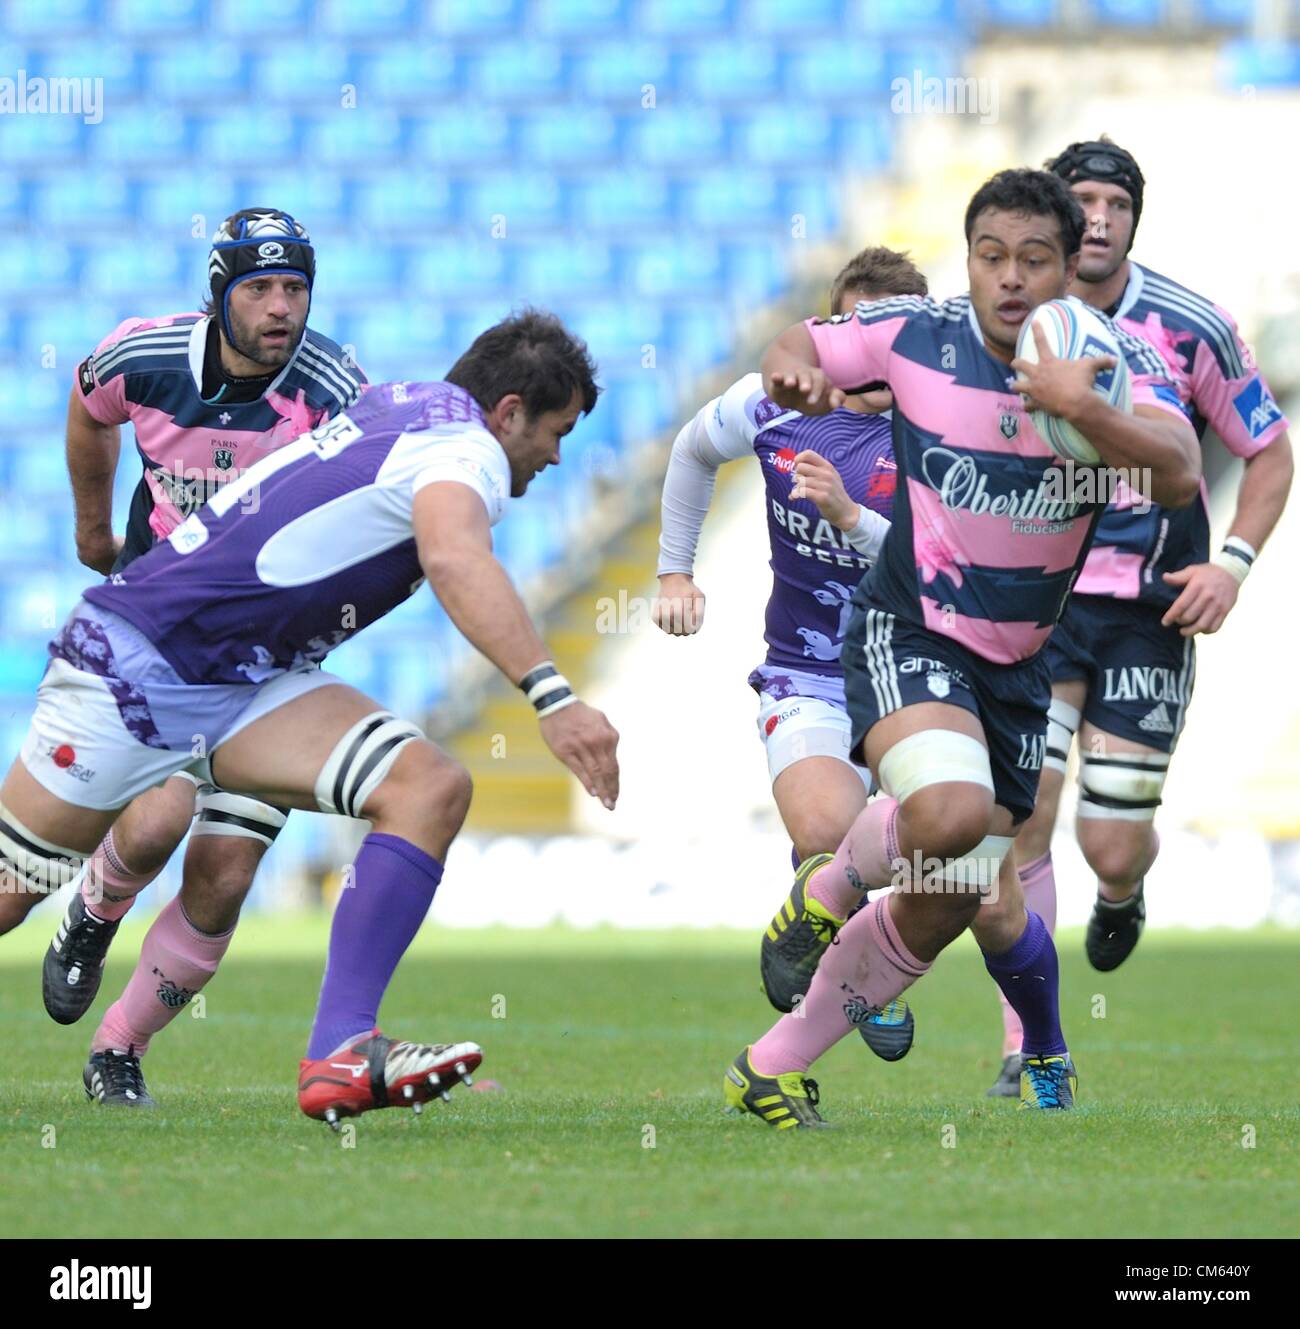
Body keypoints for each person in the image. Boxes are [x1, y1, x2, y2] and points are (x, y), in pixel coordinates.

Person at [0, 311, 620, 1126]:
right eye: (556, 430)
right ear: (507, 412)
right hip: (143, 661)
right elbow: (454, 557)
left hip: (251, 674)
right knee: (15, 888)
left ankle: (341, 1051)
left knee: (427, 787)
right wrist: (552, 696)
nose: (556, 455)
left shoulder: (405, 403)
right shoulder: (462, 448)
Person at [724, 169, 1200, 1126]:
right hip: (910, 628)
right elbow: (793, 341)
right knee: (947, 814)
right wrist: (793, 371)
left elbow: (1183, 473)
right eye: (992, 257)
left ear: (1070, 269)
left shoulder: (1113, 364)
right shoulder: (914, 333)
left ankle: (768, 1066)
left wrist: (1087, 408)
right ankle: (832, 884)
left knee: (950, 899)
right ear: (969, 261)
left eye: (1035, 260)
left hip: (1021, 664)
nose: (1011, 279)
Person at [22, 210, 367, 1103]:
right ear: (220, 292)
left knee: (223, 878)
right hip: (162, 641)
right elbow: (88, 403)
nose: (281, 306)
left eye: (295, 287)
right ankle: (94, 913)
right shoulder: (145, 356)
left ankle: (118, 1051)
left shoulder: (335, 391)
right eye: (259, 287)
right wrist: (92, 527)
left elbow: (371, 514)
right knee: (151, 826)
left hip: (266, 662)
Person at [983, 139, 1294, 1096]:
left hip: (1151, 610)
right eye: (1087, 201)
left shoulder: (1193, 325)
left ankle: (1124, 891)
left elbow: (1270, 453)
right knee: (1023, 816)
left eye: (1119, 202)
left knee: (1107, 841)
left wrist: (1231, 566)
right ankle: (1026, 1046)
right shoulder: (1012, 327)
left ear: (1133, 219)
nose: (1103, 218)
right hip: (1044, 600)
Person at [655, 245, 927, 1060]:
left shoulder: (946, 433)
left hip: (918, 669)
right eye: (851, 329)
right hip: (808, 670)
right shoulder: (772, 408)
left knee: (956, 863)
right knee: (826, 836)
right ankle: (840, 971)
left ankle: (860, 964)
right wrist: (675, 569)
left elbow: (937, 573)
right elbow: (692, 449)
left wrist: (848, 517)